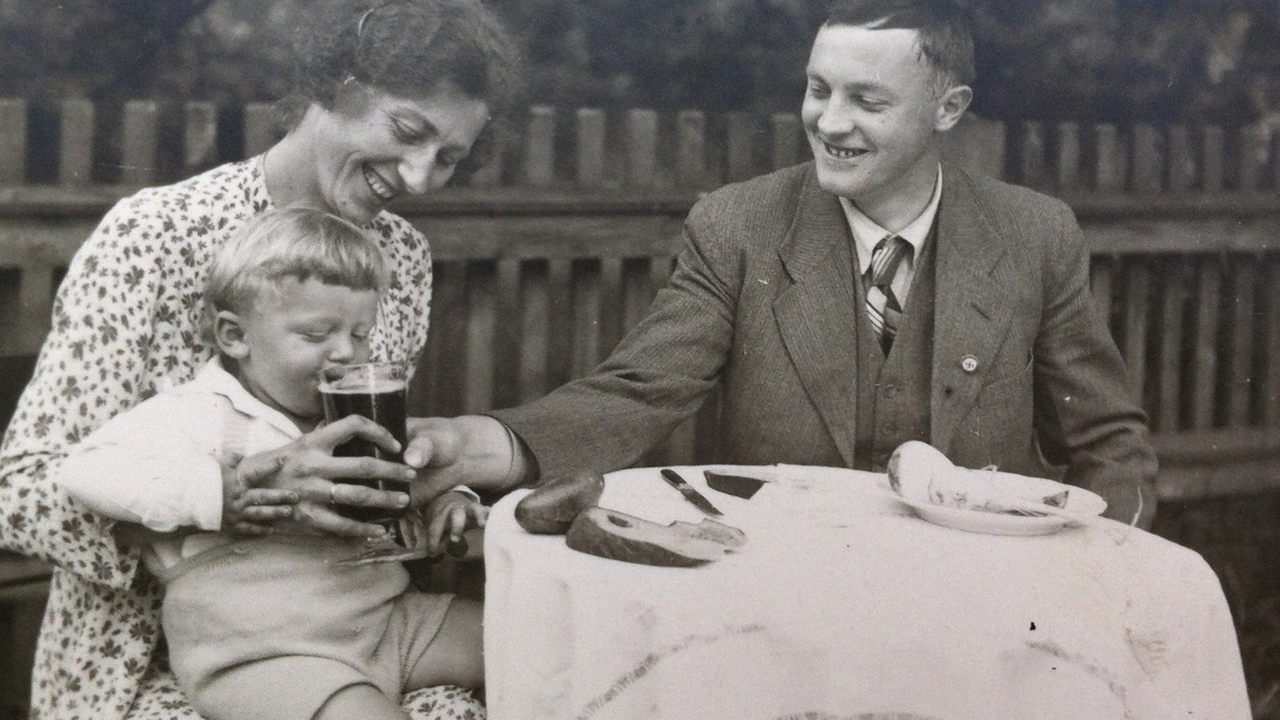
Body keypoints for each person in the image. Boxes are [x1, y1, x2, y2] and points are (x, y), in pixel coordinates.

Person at [408, 0, 1159, 529]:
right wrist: (484, 443)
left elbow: (1104, 443)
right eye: (818, 89)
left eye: (867, 100)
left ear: (949, 109)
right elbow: (639, 391)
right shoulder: (739, 225)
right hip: (788, 580)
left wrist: (1107, 560)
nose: (830, 123)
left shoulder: (1034, 234)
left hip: (983, 593)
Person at [0, 1, 519, 718]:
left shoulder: (401, 254)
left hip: (358, 618)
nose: (423, 177)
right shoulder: (156, 233)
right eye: (407, 131)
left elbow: (360, 471)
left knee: (537, 662)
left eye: (450, 157)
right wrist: (233, 500)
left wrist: (425, 499)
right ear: (335, 85)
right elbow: (20, 495)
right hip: (156, 655)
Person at [53, 207, 486, 720]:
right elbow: (84, 470)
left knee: (527, 638)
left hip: (392, 619)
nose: (346, 353)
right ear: (236, 336)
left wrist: (453, 500)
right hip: (268, 653)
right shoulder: (199, 413)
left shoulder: (350, 413)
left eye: (361, 334)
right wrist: (220, 491)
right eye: (315, 335)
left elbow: (404, 483)